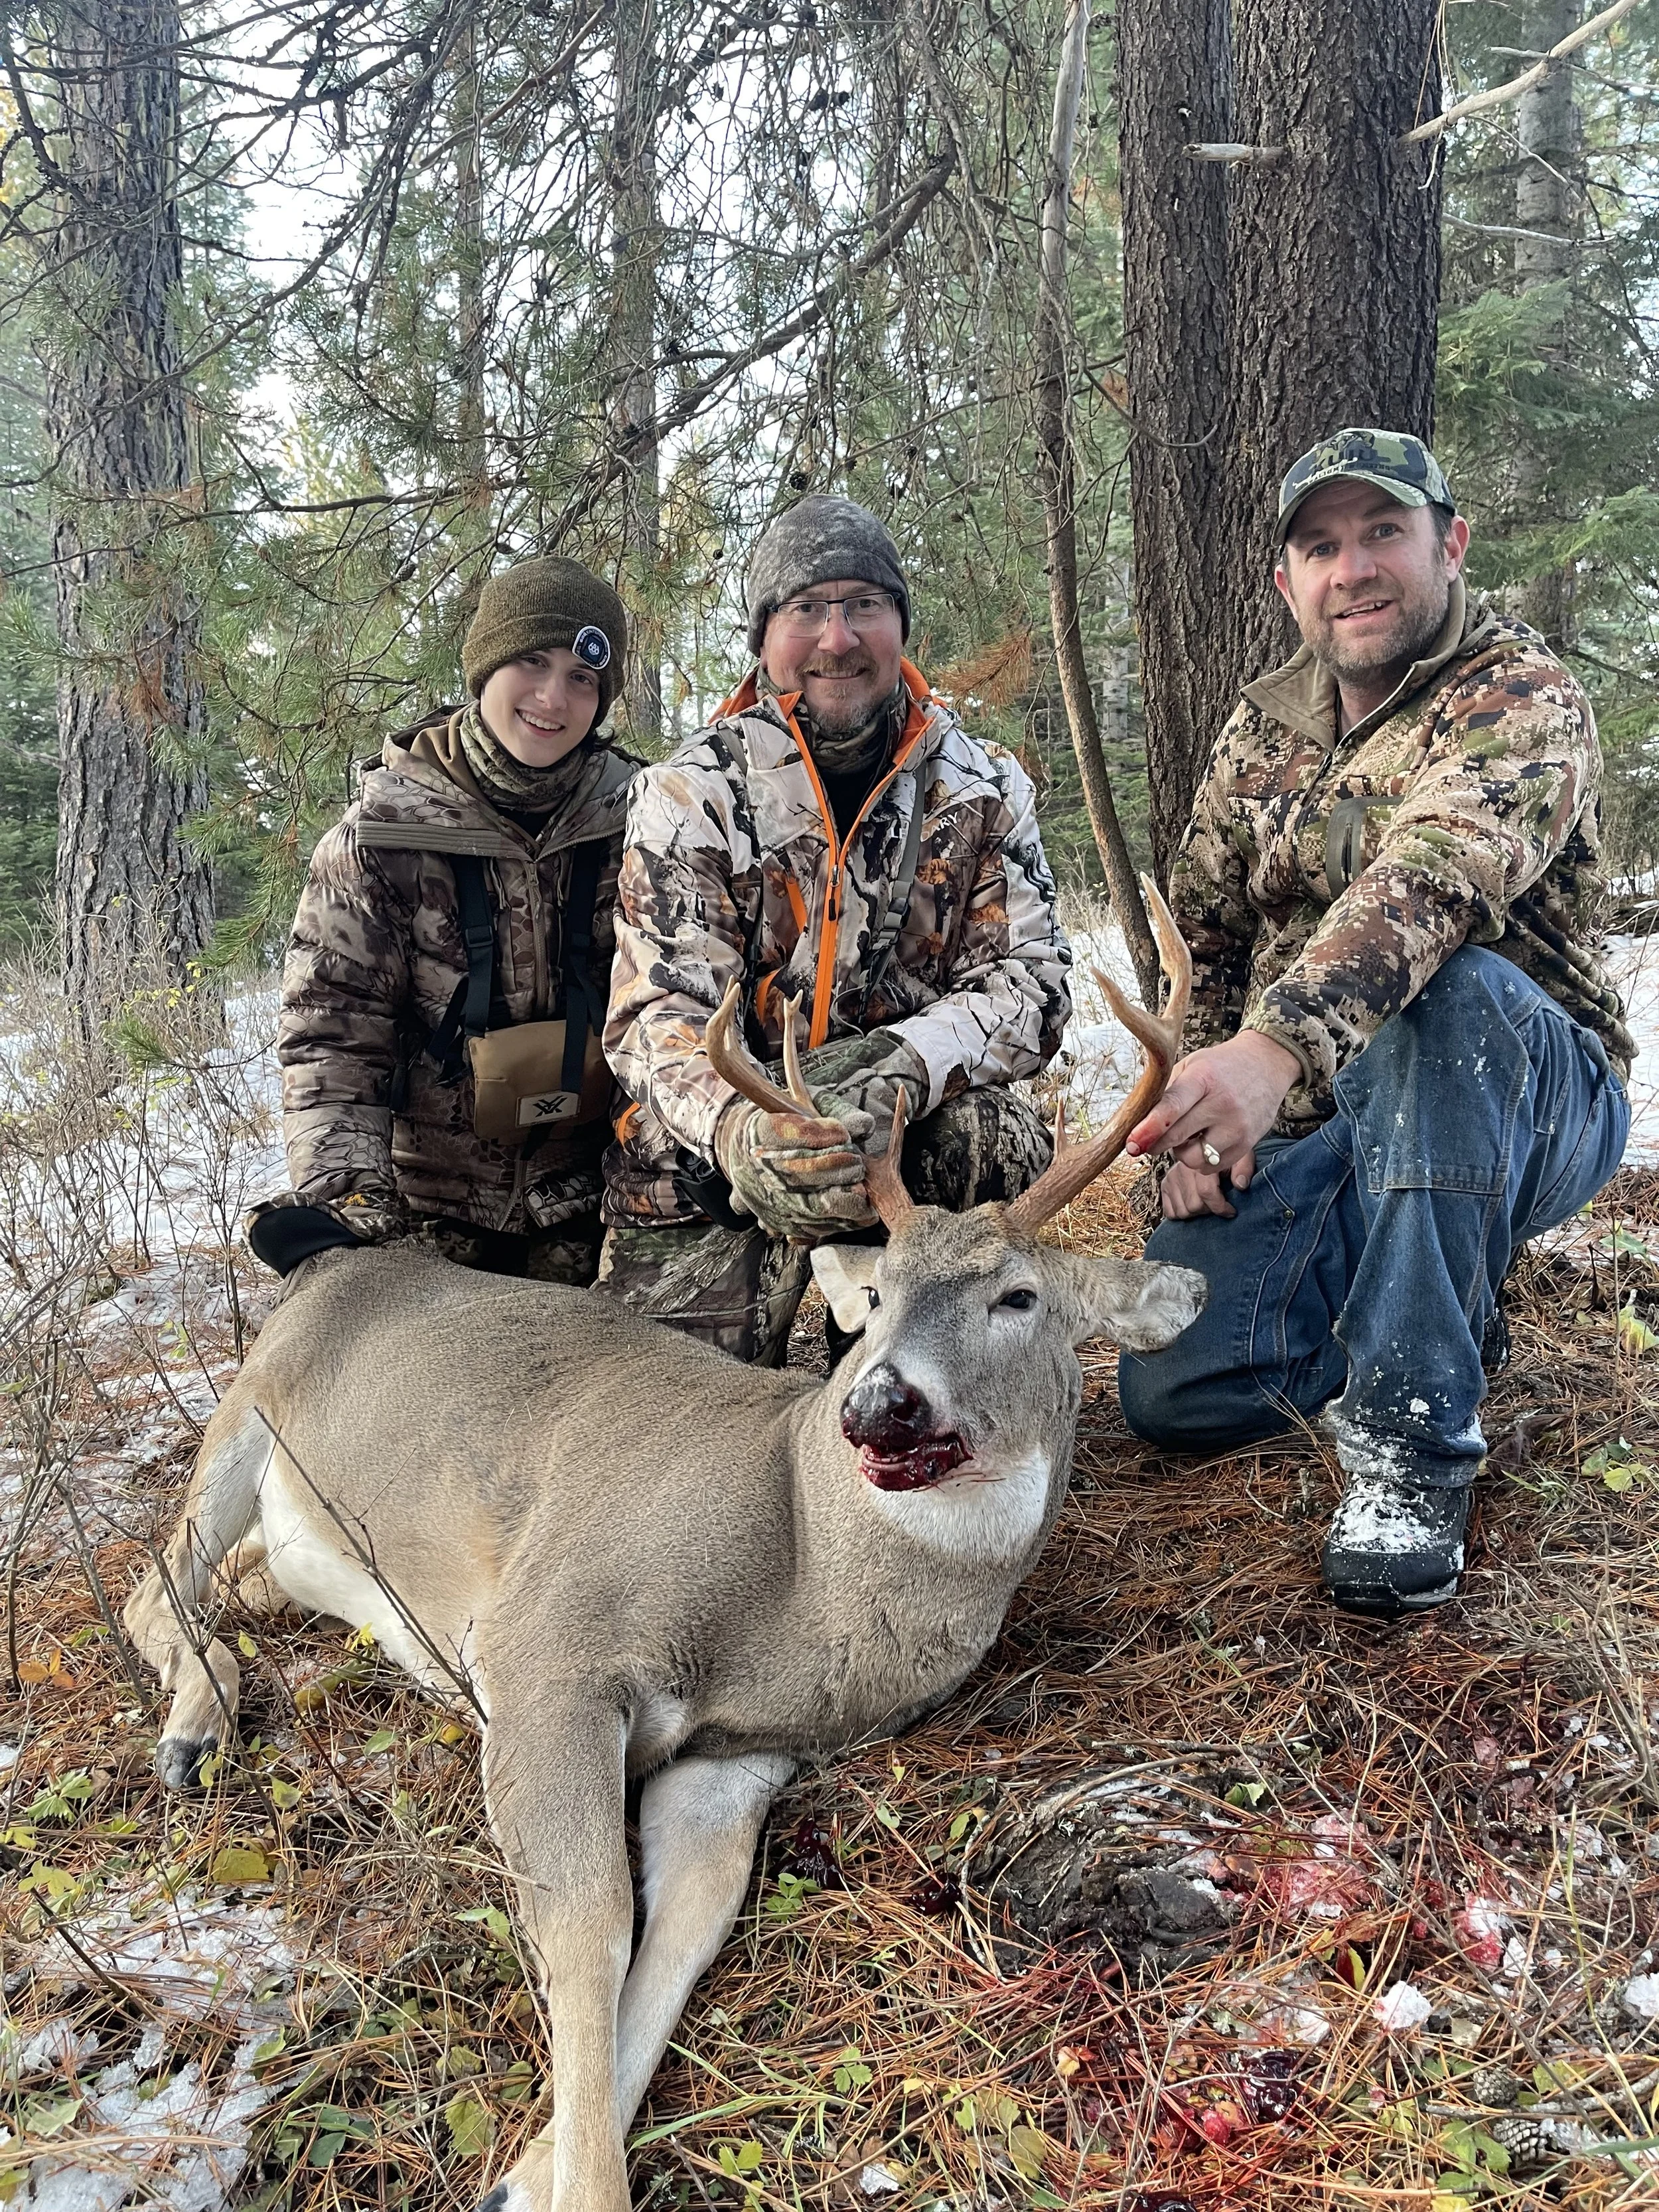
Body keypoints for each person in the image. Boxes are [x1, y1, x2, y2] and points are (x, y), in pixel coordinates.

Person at [1116, 429, 1633, 1619]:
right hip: (1333, 1122)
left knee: (1439, 990)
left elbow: (1436, 879)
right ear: (1286, 581)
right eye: (1322, 546)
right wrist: (1190, 1123)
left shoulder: (1519, 692)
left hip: (1527, 1092)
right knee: (1177, 1390)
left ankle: (1411, 1437)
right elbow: (1202, 939)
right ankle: (1433, 1307)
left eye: (1383, 534)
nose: (1353, 569)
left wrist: (1275, 1048)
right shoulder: (1261, 732)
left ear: (1449, 546)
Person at [598, 494, 1072, 1363]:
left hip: (905, 1140)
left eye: (864, 605)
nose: (838, 637)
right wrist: (738, 1129)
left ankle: (913, 1345)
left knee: (995, 1140)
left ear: (899, 622)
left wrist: (903, 1067)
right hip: (718, 1172)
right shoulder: (691, 795)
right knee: (675, 1428)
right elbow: (653, 1016)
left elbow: (1030, 985)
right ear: (763, 636)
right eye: (806, 609)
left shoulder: (982, 788)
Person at [266, 555, 636, 1284]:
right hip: (429, 1205)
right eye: (531, 661)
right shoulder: (381, 837)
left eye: (581, 678)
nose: (552, 699)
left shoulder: (644, 821)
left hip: (598, 1197)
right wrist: (353, 1199)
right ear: (483, 667)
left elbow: (672, 1016)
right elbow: (332, 1039)